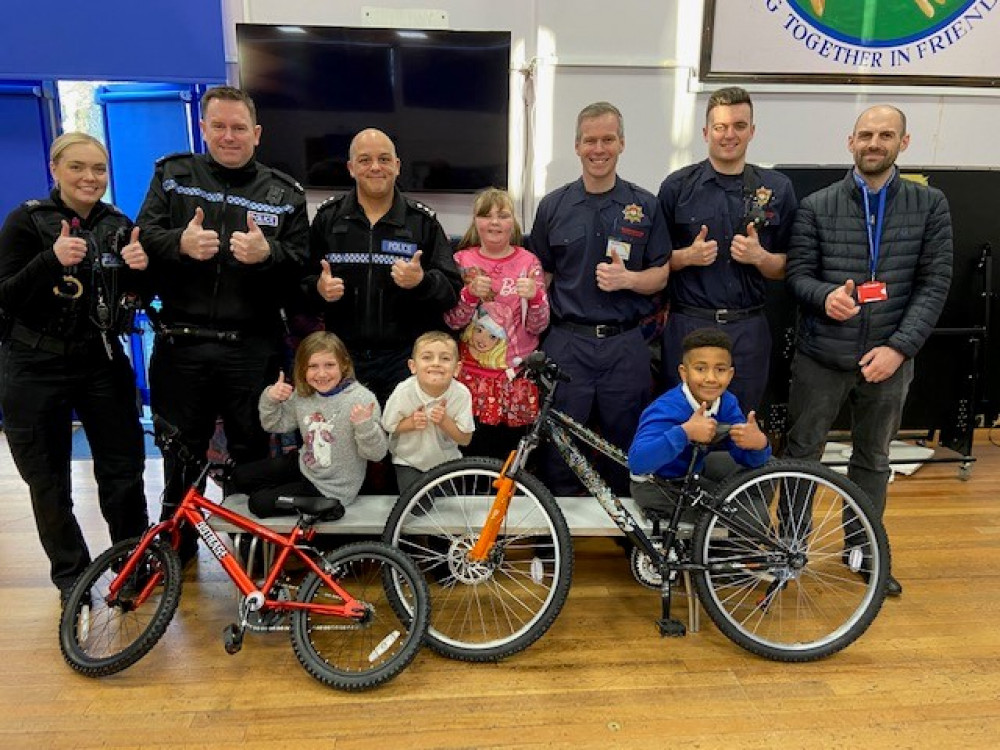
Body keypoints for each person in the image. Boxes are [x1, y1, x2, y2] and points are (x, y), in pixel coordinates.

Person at [784, 104, 953, 598]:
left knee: (873, 459)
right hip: (821, 355)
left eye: (885, 135)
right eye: (865, 134)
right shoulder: (817, 205)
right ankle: (788, 549)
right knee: (801, 454)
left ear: (904, 142)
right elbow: (798, 276)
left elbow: (934, 283)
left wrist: (898, 349)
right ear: (850, 142)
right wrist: (825, 298)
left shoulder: (930, 205)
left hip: (889, 360)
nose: (873, 143)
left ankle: (861, 552)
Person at [136, 85, 310, 562]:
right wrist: (179, 243)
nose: (229, 136)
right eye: (219, 126)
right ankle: (177, 551)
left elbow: (302, 265)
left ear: (256, 134)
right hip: (180, 343)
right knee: (180, 452)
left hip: (251, 347)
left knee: (252, 452)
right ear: (203, 128)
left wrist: (268, 253)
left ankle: (252, 553)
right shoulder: (173, 175)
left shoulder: (286, 192)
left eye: (238, 128)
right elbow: (144, 235)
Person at [0, 133, 149, 605]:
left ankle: (132, 564)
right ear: (55, 170)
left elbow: (131, 299)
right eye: (78, 168)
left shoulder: (118, 224)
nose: (90, 178)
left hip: (100, 362)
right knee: (47, 480)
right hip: (34, 364)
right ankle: (73, 576)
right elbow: (5, 295)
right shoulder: (27, 221)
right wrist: (49, 261)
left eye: (99, 169)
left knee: (123, 472)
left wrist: (141, 270)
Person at [528, 101, 671, 496]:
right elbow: (541, 274)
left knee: (625, 449)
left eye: (608, 139)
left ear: (622, 143)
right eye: (590, 140)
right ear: (577, 146)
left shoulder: (644, 206)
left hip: (626, 345)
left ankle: (629, 548)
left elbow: (661, 274)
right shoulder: (553, 206)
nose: (599, 149)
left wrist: (629, 279)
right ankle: (556, 547)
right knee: (558, 448)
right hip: (567, 342)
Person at [658, 86, 798, 412]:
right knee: (683, 423)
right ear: (707, 132)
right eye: (720, 127)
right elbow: (653, 263)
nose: (728, 135)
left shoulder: (777, 189)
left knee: (740, 423)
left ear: (752, 131)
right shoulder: (676, 187)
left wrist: (761, 258)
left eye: (738, 125)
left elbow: (793, 264)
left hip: (747, 329)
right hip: (690, 324)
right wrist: (685, 257)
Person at [306, 128, 463, 406]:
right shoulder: (327, 220)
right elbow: (298, 283)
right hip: (343, 359)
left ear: (397, 166)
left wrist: (422, 282)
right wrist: (317, 289)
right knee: (346, 444)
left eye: (384, 159)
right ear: (351, 168)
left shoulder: (422, 222)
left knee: (402, 444)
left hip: (404, 360)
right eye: (365, 160)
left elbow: (451, 291)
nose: (375, 167)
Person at [228, 331, 387, 518]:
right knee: (239, 477)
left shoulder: (361, 398)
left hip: (333, 487)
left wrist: (364, 425)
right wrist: (270, 398)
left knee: (258, 503)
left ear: (343, 364)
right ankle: (285, 493)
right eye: (313, 366)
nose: (321, 374)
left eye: (329, 365)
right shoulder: (304, 394)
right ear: (302, 369)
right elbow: (274, 425)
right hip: (306, 466)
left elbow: (377, 454)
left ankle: (324, 506)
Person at [444, 187, 549, 459]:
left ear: (512, 222)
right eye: (486, 215)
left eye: (502, 216)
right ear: (475, 222)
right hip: (469, 381)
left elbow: (539, 327)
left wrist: (535, 297)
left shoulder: (529, 262)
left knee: (511, 462)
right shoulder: (460, 261)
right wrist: (469, 295)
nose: (494, 222)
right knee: (471, 458)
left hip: (516, 380)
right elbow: (452, 322)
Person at [628, 328, 770, 517]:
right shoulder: (666, 408)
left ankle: (717, 538)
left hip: (694, 470)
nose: (710, 378)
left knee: (767, 469)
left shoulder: (727, 402)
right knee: (754, 515)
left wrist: (758, 445)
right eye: (700, 369)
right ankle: (712, 541)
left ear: (730, 374)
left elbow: (747, 458)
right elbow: (638, 462)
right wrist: (685, 432)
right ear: (684, 373)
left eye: (719, 370)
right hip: (656, 485)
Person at [382, 331, 475, 496]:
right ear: (413, 366)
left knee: (448, 507)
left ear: (457, 368)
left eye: (445, 358)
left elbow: (465, 439)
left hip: (446, 462)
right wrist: (410, 423)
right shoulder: (403, 391)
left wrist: (444, 422)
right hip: (408, 461)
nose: (436, 364)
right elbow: (388, 426)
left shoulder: (461, 394)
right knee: (416, 506)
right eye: (427, 357)